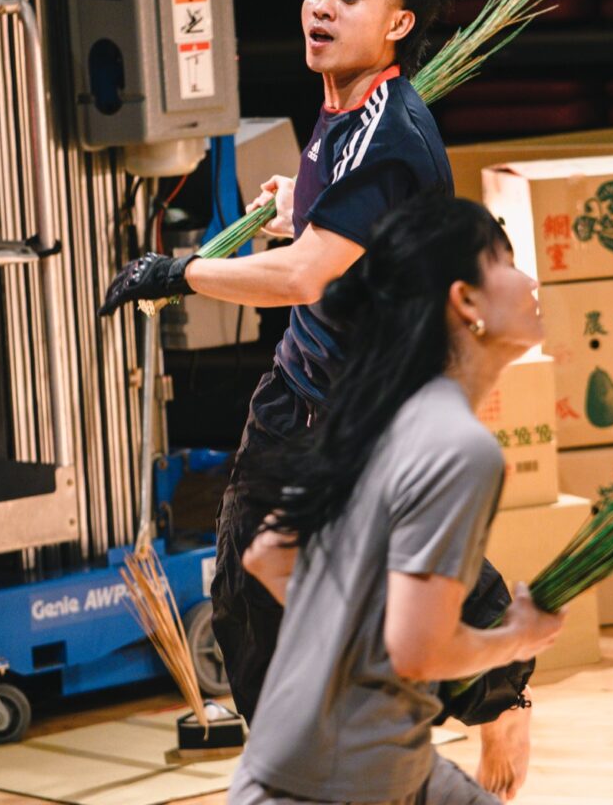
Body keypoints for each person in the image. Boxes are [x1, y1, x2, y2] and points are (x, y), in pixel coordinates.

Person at [99, 0, 537, 792]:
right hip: (306, 397)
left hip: (363, 410)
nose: (321, 8)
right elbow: (348, 238)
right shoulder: (348, 113)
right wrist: (305, 202)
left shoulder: (380, 131)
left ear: (399, 22)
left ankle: (497, 696)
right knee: (259, 595)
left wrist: (174, 275)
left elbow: (304, 277)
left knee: (329, 587)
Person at [229, 194, 565, 805]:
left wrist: (355, 646)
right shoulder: (460, 448)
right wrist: (519, 637)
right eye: (506, 262)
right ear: (466, 302)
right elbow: (420, 653)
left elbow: (268, 556)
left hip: (320, 766)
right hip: (335, 788)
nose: (528, 279)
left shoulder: (377, 411)